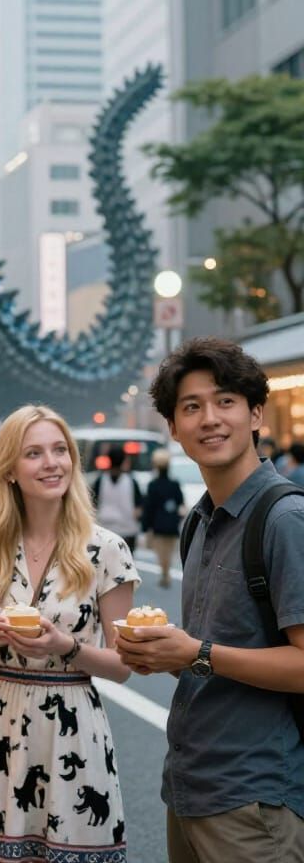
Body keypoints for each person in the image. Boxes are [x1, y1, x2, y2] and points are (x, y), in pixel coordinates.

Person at [117, 337, 304, 862]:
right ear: (173, 429)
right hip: (190, 787)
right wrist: (163, 654)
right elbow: (214, 654)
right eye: (191, 407)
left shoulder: (284, 520)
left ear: (255, 414)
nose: (210, 419)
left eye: (225, 402)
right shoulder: (199, 522)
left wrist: (194, 653)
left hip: (256, 798)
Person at [0, 404, 139, 862]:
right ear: (11, 470)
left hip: (73, 724)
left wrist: (67, 646)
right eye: (34, 453)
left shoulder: (106, 550)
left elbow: (124, 667)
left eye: (60, 451)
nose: (52, 463)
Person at [141, 449, 185, 588]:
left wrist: (146, 526)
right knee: (169, 550)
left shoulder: (153, 485)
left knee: (161, 551)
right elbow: (180, 503)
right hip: (172, 523)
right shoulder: (174, 484)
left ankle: (164, 572)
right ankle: (166, 572)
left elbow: (149, 507)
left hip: (158, 524)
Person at [90, 447, 143, 551]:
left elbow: (92, 504)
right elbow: (139, 507)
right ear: (123, 461)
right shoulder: (131, 481)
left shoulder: (100, 481)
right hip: (127, 528)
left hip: (104, 528)